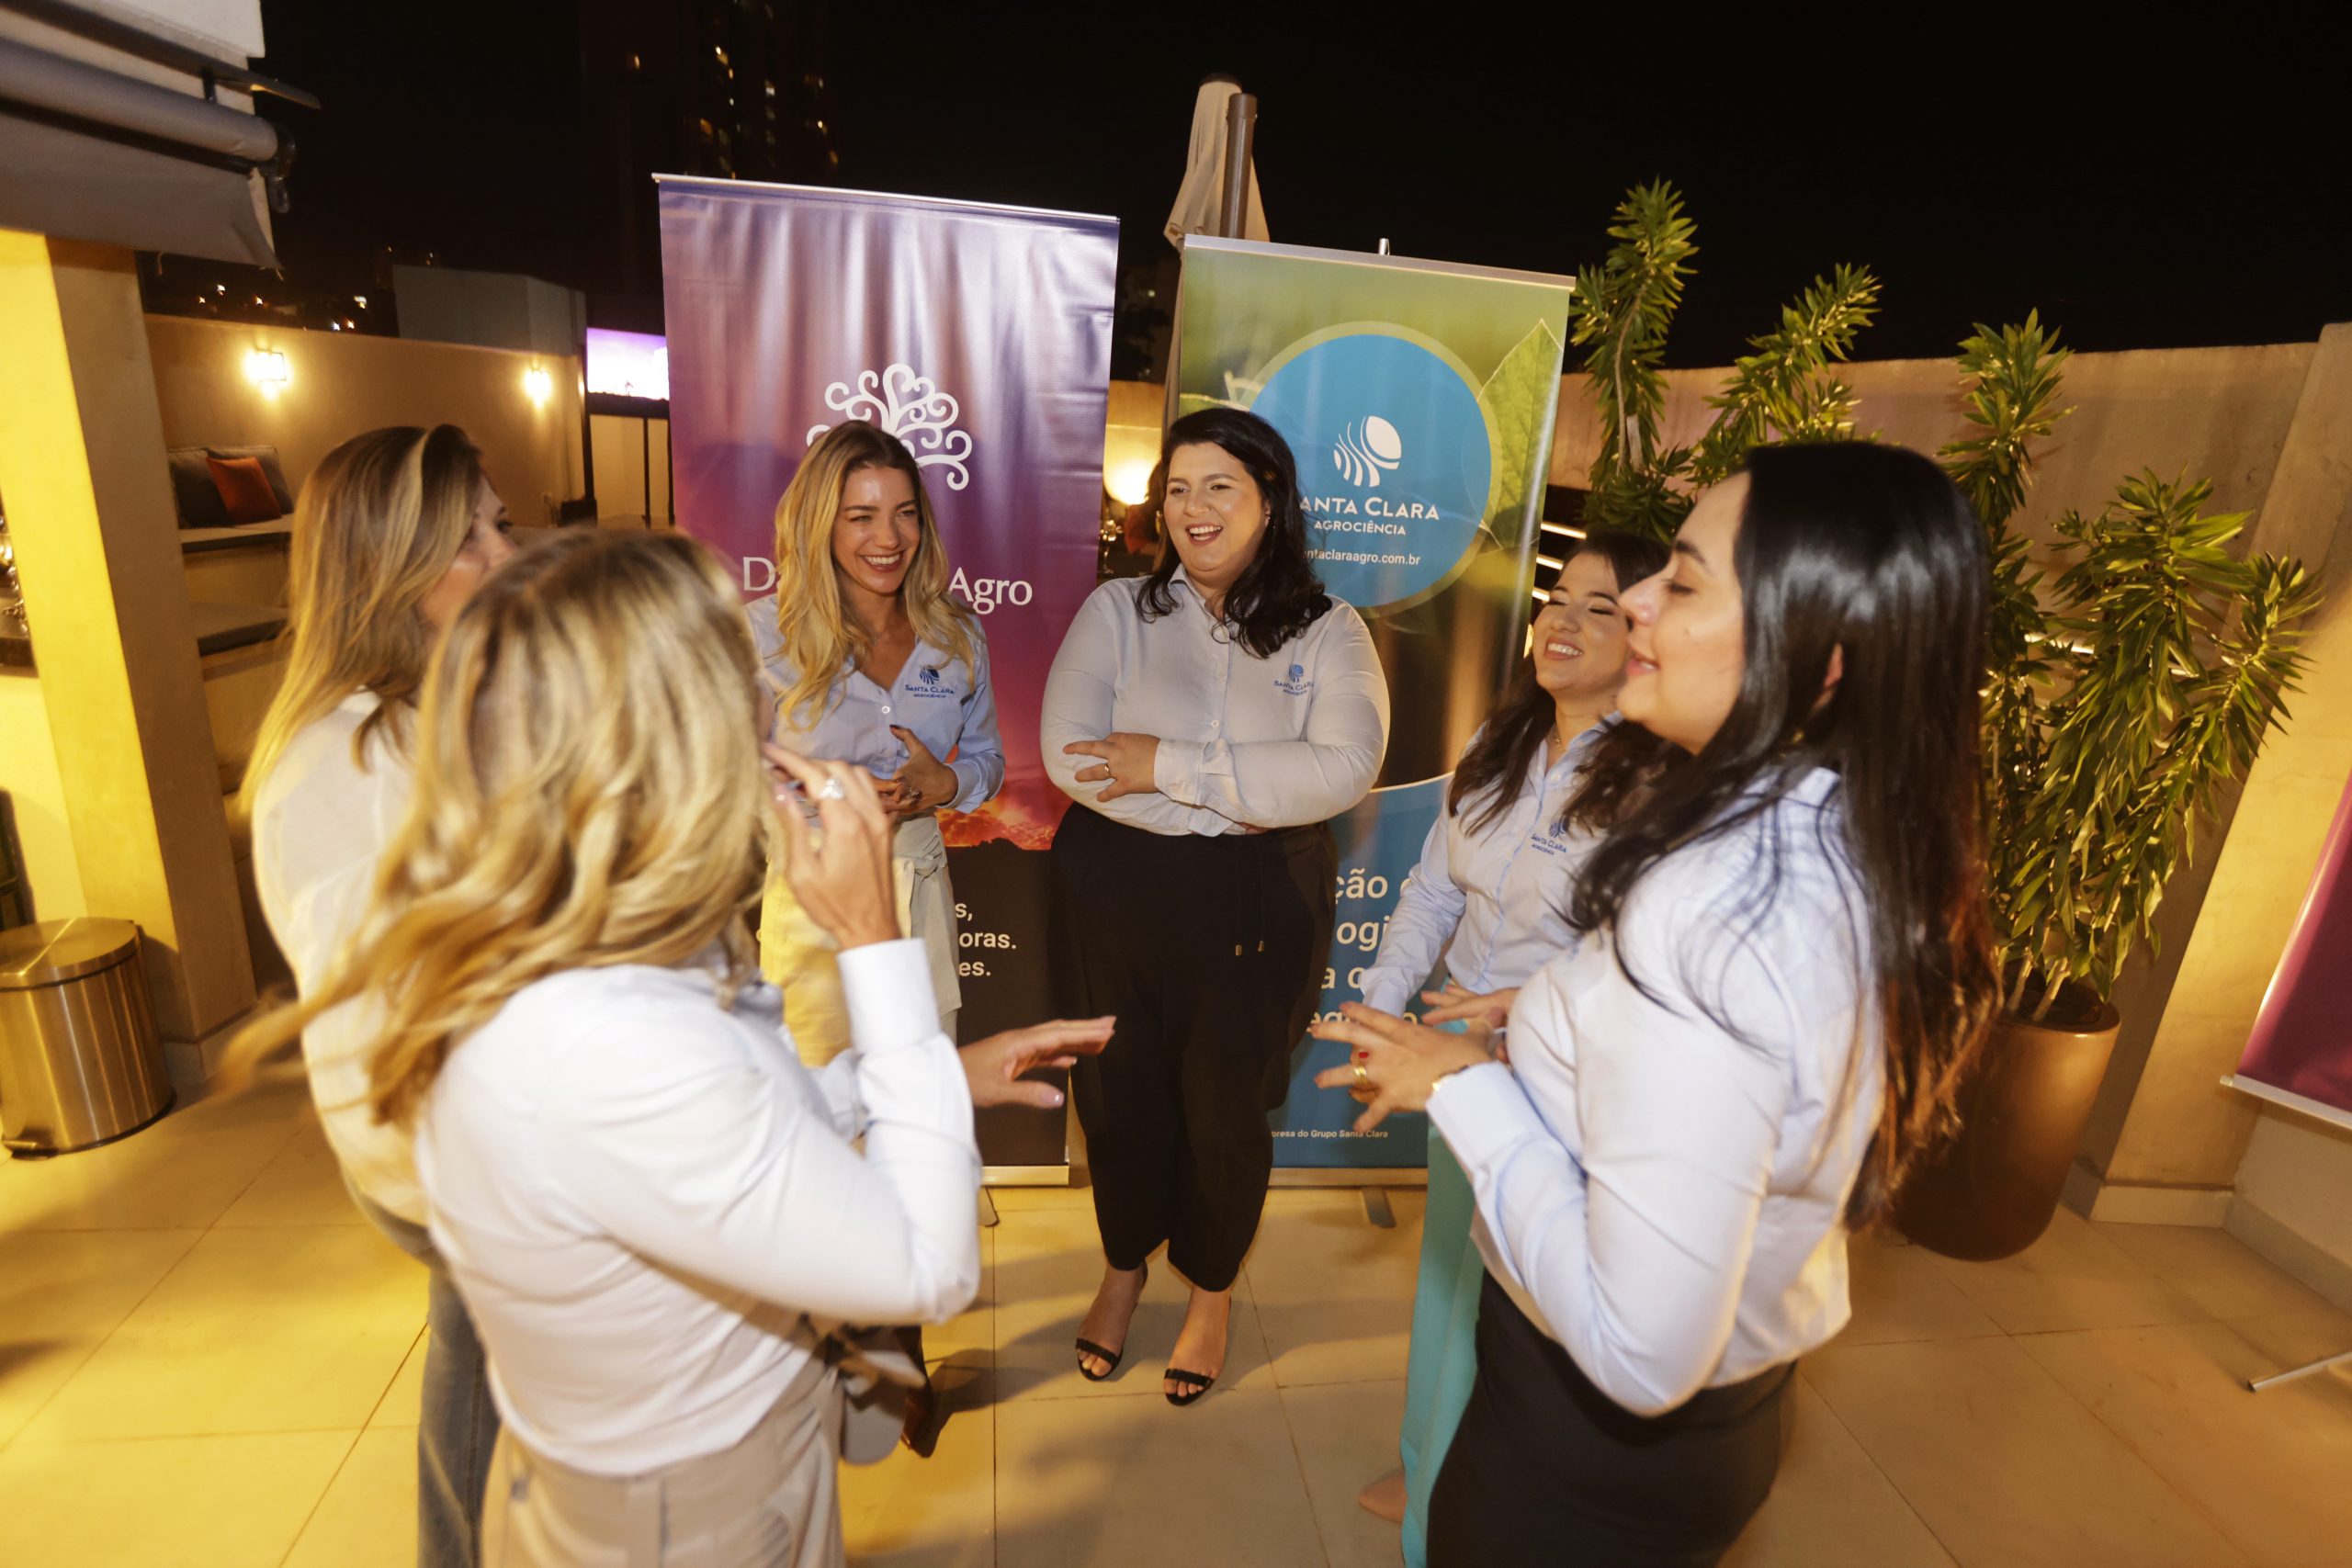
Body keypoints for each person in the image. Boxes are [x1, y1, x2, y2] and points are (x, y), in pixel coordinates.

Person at [229, 529, 1111, 1568]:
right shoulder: (606, 1033)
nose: (771, 709)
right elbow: (923, 1267)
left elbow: (719, 1133)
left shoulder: (575, 940)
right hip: (692, 1518)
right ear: (665, 741)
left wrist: (912, 1085)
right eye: (738, 679)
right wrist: (878, 949)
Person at [1317, 443, 1997, 1565]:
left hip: (1585, 1456)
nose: (1631, 605)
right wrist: (1528, 1017)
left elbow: (1639, 1352)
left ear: (1816, 657)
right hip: (1706, 1423)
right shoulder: (1833, 835)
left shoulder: (1712, 910)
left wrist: (1466, 1081)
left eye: (1677, 583)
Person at [1041, 406, 1390, 1404]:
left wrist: (1166, 766)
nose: (1193, 508)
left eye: (1219, 486)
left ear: (1269, 498)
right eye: (1178, 488)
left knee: (1224, 1107)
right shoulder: (1116, 611)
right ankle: (1122, 1265)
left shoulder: (1329, 630)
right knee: (1117, 1093)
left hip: (1253, 899)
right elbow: (1072, 753)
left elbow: (1342, 768)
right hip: (1113, 888)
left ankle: (1212, 1288)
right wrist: (1241, 787)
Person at [1349, 528, 1669, 1564]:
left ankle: (1468, 1501)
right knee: (1449, 1280)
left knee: (1523, 1308)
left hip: (1567, 1081)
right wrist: (1380, 1007)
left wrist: (1509, 1006)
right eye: (1557, 599)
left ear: (1645, 635)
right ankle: (1425, 1462)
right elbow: (1435, 887)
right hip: (1460, 1065)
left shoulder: (1661, 780)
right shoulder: (1500, 740)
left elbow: (1637, 961)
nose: (1562, 623)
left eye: (1599, 608)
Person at [243, 423, 515, 1568]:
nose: (509, 553)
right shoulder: (345, 764)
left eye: (501, 523)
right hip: (449, 1157)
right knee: (492, 1387)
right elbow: (383, 1035)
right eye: (477, 536)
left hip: (486, 1145)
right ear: (398, 569)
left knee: (482, 1369)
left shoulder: (432, 713)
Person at [749, 420, 1001, 1059]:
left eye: (905, 514)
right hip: (813, 895)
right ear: (820, 524)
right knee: (819, 1119)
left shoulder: (957, 635)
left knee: (920, 1109)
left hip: (920, 889)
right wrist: (826, 795)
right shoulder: (758, 636)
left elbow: (988, 759)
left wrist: (947, 783)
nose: (888, 539)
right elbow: (723, 778)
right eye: (861, 516)